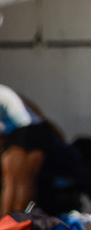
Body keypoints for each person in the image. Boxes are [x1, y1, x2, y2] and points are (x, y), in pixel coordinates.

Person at [0, 85, 65, 215]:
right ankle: (22, 222)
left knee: (11, 181)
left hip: (22, 131)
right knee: (26, 180)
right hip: (40, 129)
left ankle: (6, 225)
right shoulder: (5, 90)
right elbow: (35, 111)